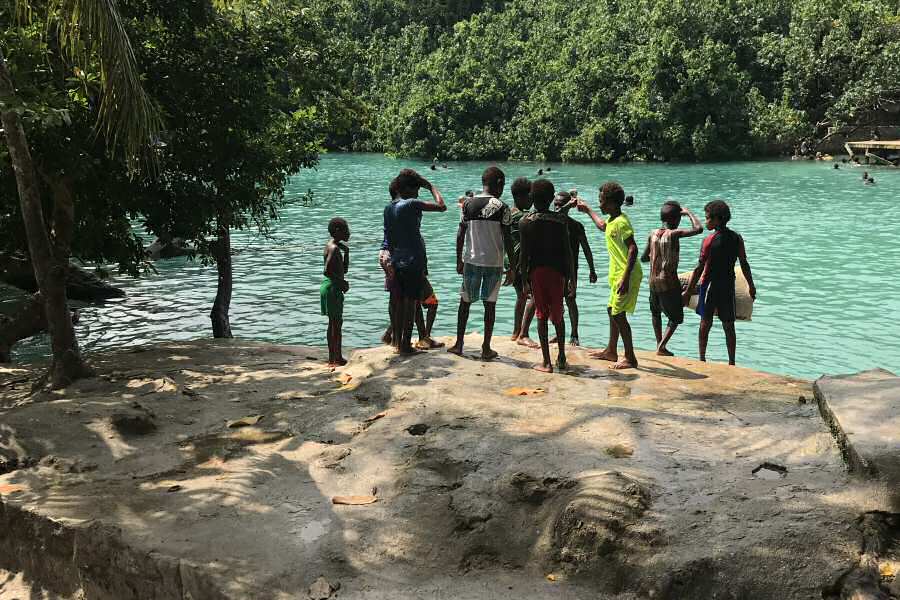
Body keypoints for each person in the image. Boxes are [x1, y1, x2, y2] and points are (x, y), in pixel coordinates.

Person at [448, 166, 514, 360]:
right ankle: (486, 347)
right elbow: (508, 238)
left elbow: (460, 234)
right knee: (490, 305)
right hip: (494, 263)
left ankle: (459, 344)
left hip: (472, 260)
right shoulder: (502, 207)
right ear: (499, 183)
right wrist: (512, 267)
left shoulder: (468, 204)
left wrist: (458, 259)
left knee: (465, 302)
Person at [576, 182, 643, 369]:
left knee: (619, 314)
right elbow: (603, 226)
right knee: (610, 310)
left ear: (613, 204)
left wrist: (626, 278)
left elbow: (633, 248)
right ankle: (611, 351)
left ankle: (630, 358)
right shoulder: (613, 220)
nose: (600, 205)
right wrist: (587, 210)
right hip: (617, 275)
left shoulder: (621, 222)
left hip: (626, 274)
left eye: (602, 202)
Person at [682, 200, 757, 366]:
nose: (706, 221)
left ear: (717, 219)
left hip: (709, 286)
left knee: (705, 322)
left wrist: (688, 292)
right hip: (728, 286)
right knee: (729, 325)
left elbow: (699, 268)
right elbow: (744, 263)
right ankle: (732, 362)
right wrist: (751, 286)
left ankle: (701, 358)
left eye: (708, 218)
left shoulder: (709, 240)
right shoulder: (737, 238)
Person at [382, 169, 447, 355]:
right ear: (407, 189)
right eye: (416, 189)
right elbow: (442, 206)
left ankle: (399, 341)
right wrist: (431, 187)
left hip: (397, 260)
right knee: (411, 304)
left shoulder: (389, 207)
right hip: (413, 260)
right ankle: (405, 345)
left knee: (402, 302)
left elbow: (389, 236)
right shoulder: (411, 203)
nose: (418, 192)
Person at [519, 179, 574, 372]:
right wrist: (572, 279)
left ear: (531, 198)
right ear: (552, 199)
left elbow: (524, 255)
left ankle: (546, 362)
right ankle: (561, 357)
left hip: (537, 273)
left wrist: (524, 280)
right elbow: (567, 252)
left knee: (541, 315)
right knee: (558, 316)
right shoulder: (560, 221)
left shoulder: (525, 222)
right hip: (558, 273)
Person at [640, 201, 702, 356]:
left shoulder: (652, 233)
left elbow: (643, 258)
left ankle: (658, 343)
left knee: (656, 313)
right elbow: (699, 229)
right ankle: (662, 346)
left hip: (652, 282)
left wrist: (657, 256)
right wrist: (688, 213)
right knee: (676, 317)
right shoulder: (674, 234)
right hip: (668, 283)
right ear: (676, 219)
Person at [553, 190, 598, 345]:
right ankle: (558, 332)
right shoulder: (551, 221)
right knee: (555, 301)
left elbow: (586, 249)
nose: (557, 207)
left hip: (571, 270)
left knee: (570, 299)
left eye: (560, 204)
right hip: (553, 268)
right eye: (555, 204)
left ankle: (574, 334)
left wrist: (592, 269)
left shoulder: (575, 226)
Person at [322, 218, 351, 366]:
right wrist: (342, 283)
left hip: (332, 287)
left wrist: (346, 253)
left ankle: (334, 356)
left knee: (334, 322)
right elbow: (327, 271)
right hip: (332, 287)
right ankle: (335, 358)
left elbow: (343, 270)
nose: (349, 233)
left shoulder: (335, 247)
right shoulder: (333, 248)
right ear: (338, 231)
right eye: (346, 229)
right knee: (336, 323)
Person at [507, 177, 533, 342]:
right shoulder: (521, 216)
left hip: (512, 261)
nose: (531, 200)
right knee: (529, 296)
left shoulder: (510, 212)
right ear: (521, 197)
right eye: (530, 197)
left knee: (522, 296)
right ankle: (522, 333)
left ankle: (517, 332)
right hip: (519, 262)